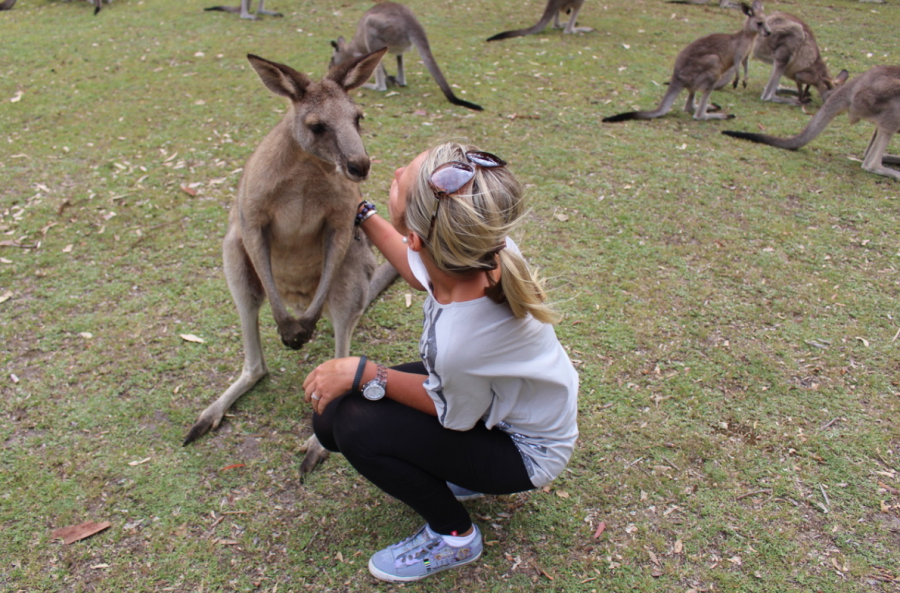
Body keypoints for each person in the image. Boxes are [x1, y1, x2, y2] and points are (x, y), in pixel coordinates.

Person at [302, 142, 579, 583]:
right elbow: (418, 271)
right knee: (329, 421)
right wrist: (362, 212)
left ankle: (454, 536)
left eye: (400, 182)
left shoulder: (463, 342)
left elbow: (452, 413)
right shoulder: (483, 249)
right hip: (491, 406)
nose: (393, 173)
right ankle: (457, 471)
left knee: (353, 424)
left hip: (523, 451)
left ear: (417, 237)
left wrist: (367, 374)